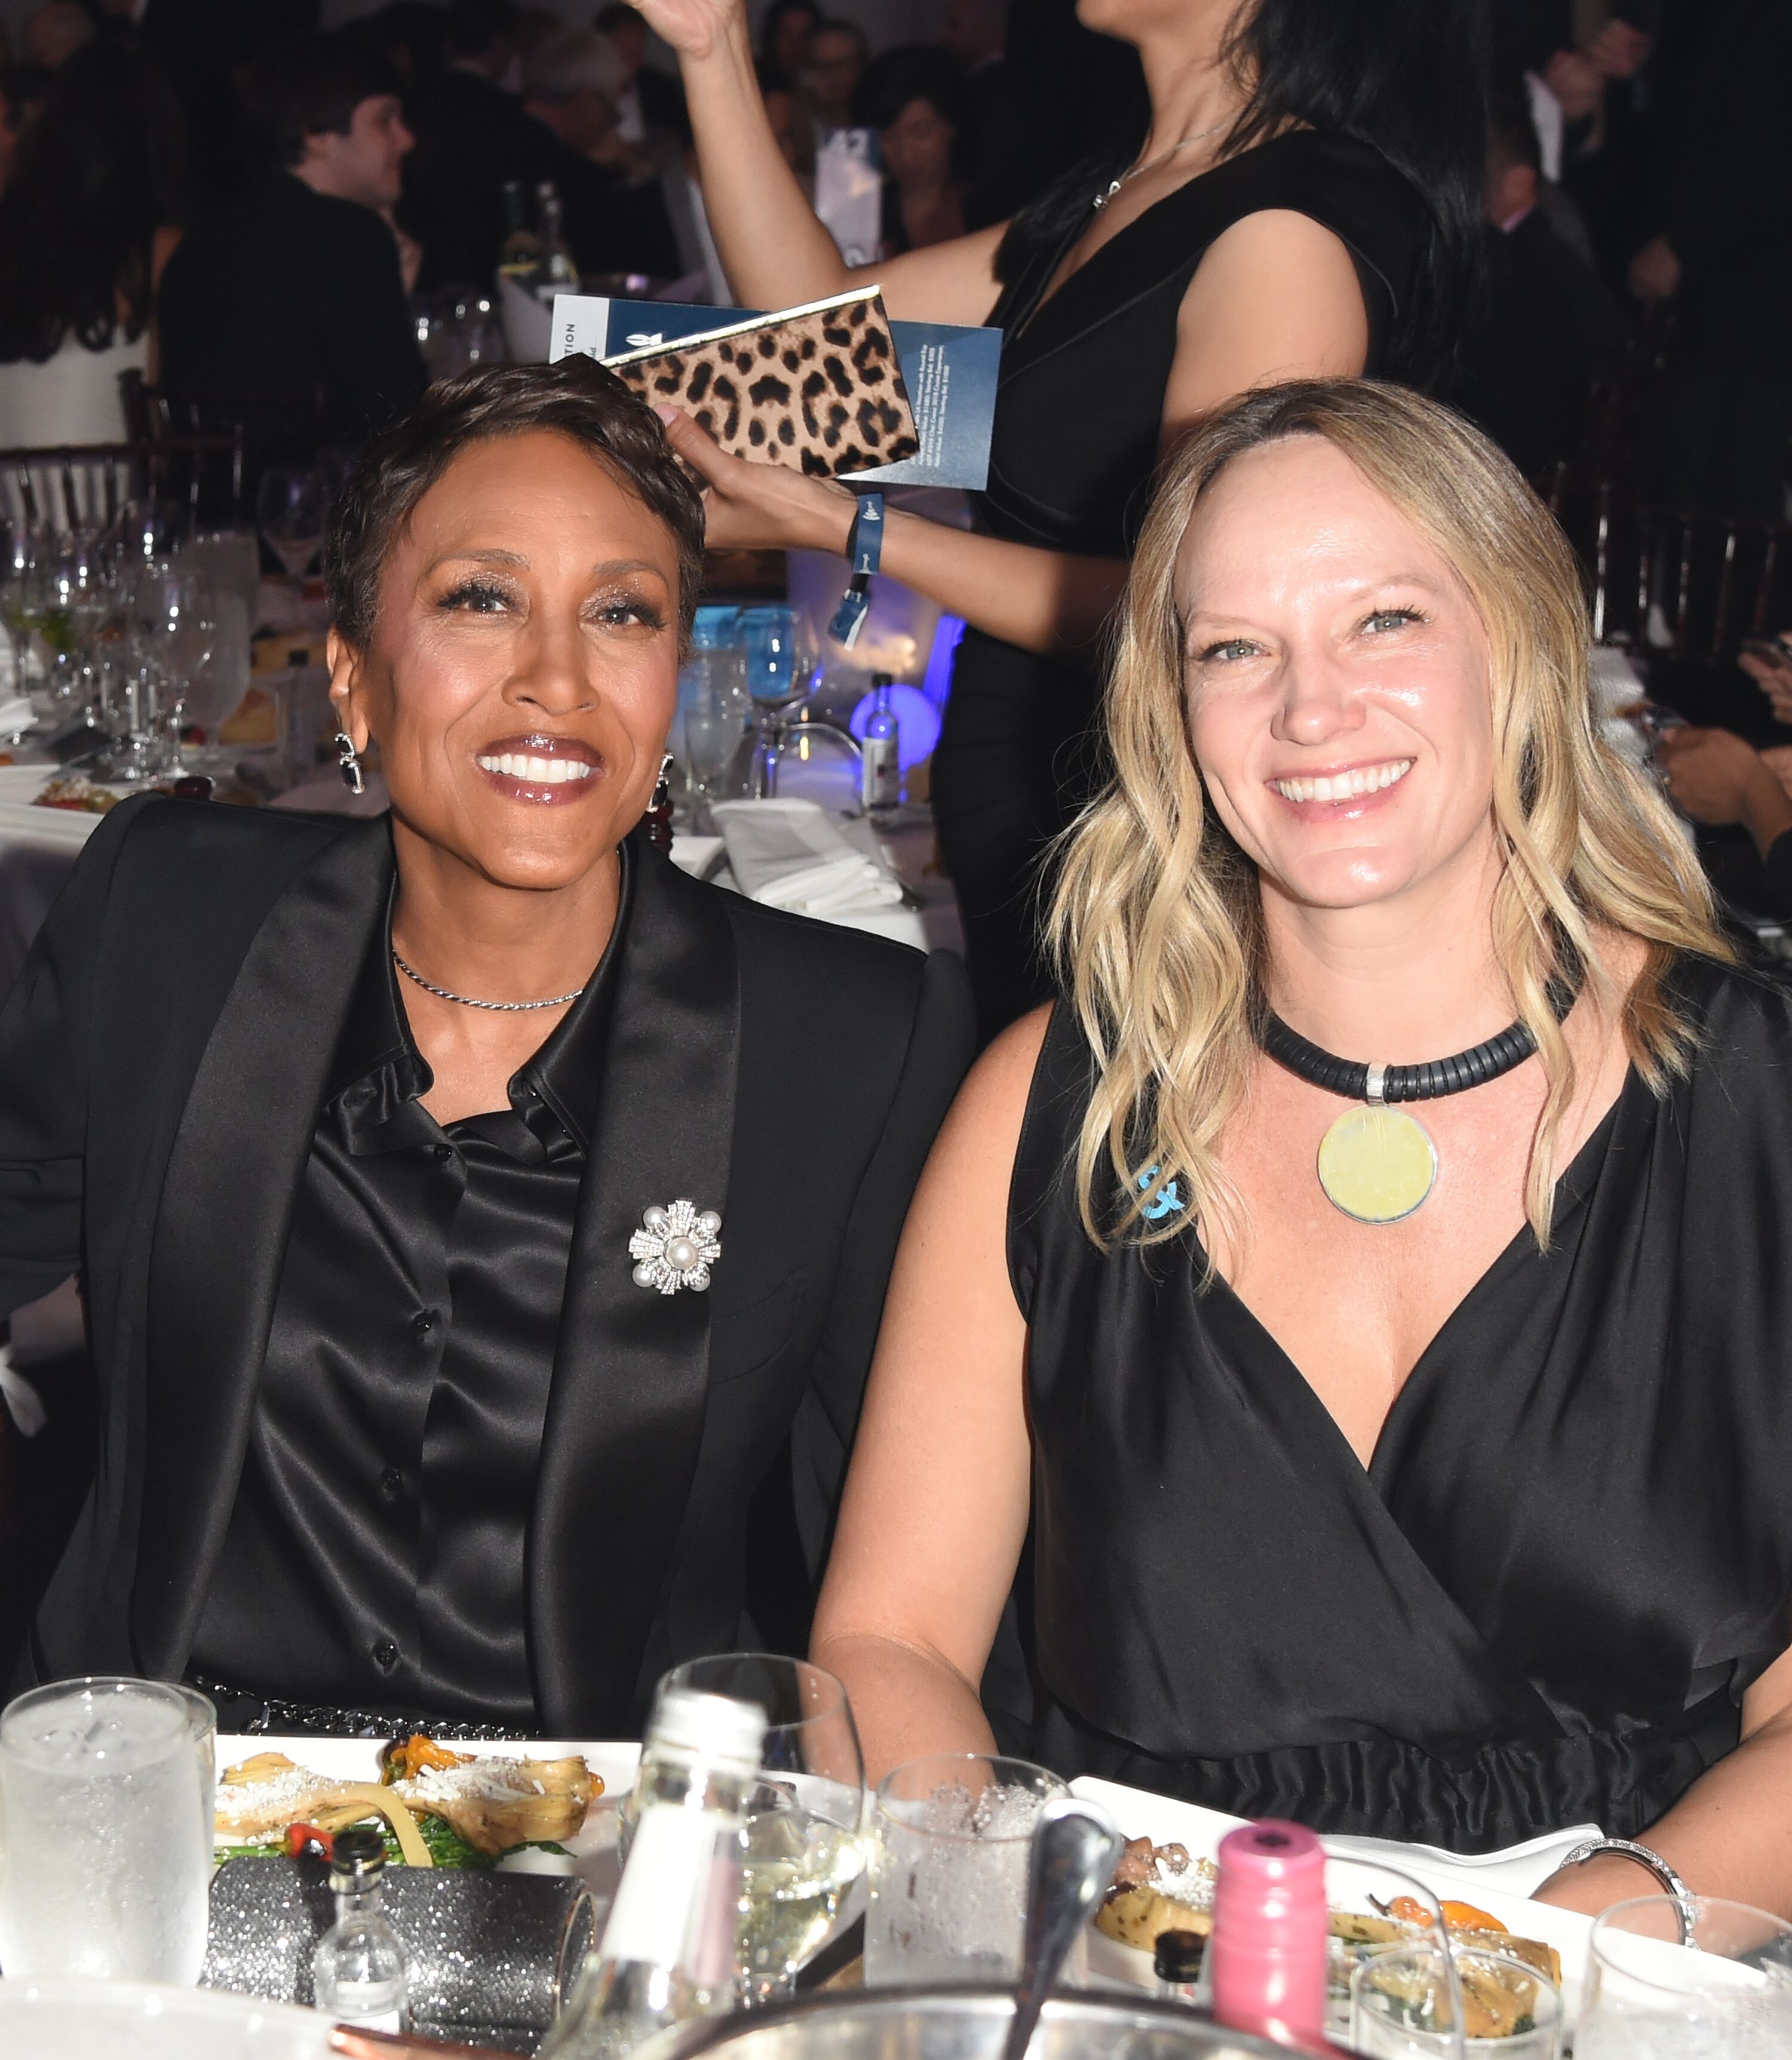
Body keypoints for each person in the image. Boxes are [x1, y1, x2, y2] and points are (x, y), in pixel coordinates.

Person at [812, 380, 1792, 1916]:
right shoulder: (1050, 1105)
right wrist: (993, 1900)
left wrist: (1524, 1973)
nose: (1308, 709)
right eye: (1233, 648)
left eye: (1384, 620)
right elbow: (891, 1643)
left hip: (1637, 1968)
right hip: (1148, 1973)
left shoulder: (1756, 1106)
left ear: (1519, 642)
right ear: (1167, 700)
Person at [0, 359, 974, 1734]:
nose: (555, 678)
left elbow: (901, 1593)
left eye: (619, 612)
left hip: (595, 1844)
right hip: (168, 1799)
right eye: (480, 598)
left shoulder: (849, 1044)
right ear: (353, 683)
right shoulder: (168, 918)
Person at [628, 0, 1480, 1042]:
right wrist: (712, 46)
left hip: (1125, 801)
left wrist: (855, 528)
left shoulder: (1288, 224)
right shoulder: (1130, 187)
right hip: (1025, 766)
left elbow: (1195, 614)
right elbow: (816, 325)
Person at [157, 33, 427, 467]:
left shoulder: (200, 243)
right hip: (313, 516)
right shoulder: (349, 234)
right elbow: (402, 422)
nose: (406, 139)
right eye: (384, 120)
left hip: (208, 510)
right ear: (317, 134)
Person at [0, 42, 188, 448]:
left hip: (13, 497)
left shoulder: (15, 238)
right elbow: (160, 425)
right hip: (102, 496)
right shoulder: (157, 251)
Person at [1448, 93, 1622, 481]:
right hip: (1533, 455)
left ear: (1519, 183)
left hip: (1513, 461)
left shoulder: (1516, 261)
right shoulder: (1547, 252)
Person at [520, 29, 682, 278]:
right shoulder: (563, 170)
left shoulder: (523, 139)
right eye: (610, 110)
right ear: (586, 101)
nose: (613, 124)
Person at [851, 45, 969, 257]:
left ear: (951, 126)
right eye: (889, 138)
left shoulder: (991, 204)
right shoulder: (865, 216)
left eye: (921, 133)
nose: (906, 156)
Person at [805, 17, 867, 133]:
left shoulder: (885, 131)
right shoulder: (799, 132)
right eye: (825, 67)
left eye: (844, 65)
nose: (835, 75)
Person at [756, 0, 818, 93]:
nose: (796, 44)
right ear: (772, 38)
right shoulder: (753, 83)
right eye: (787, 34)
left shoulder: (830, 91)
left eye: (805, 36)